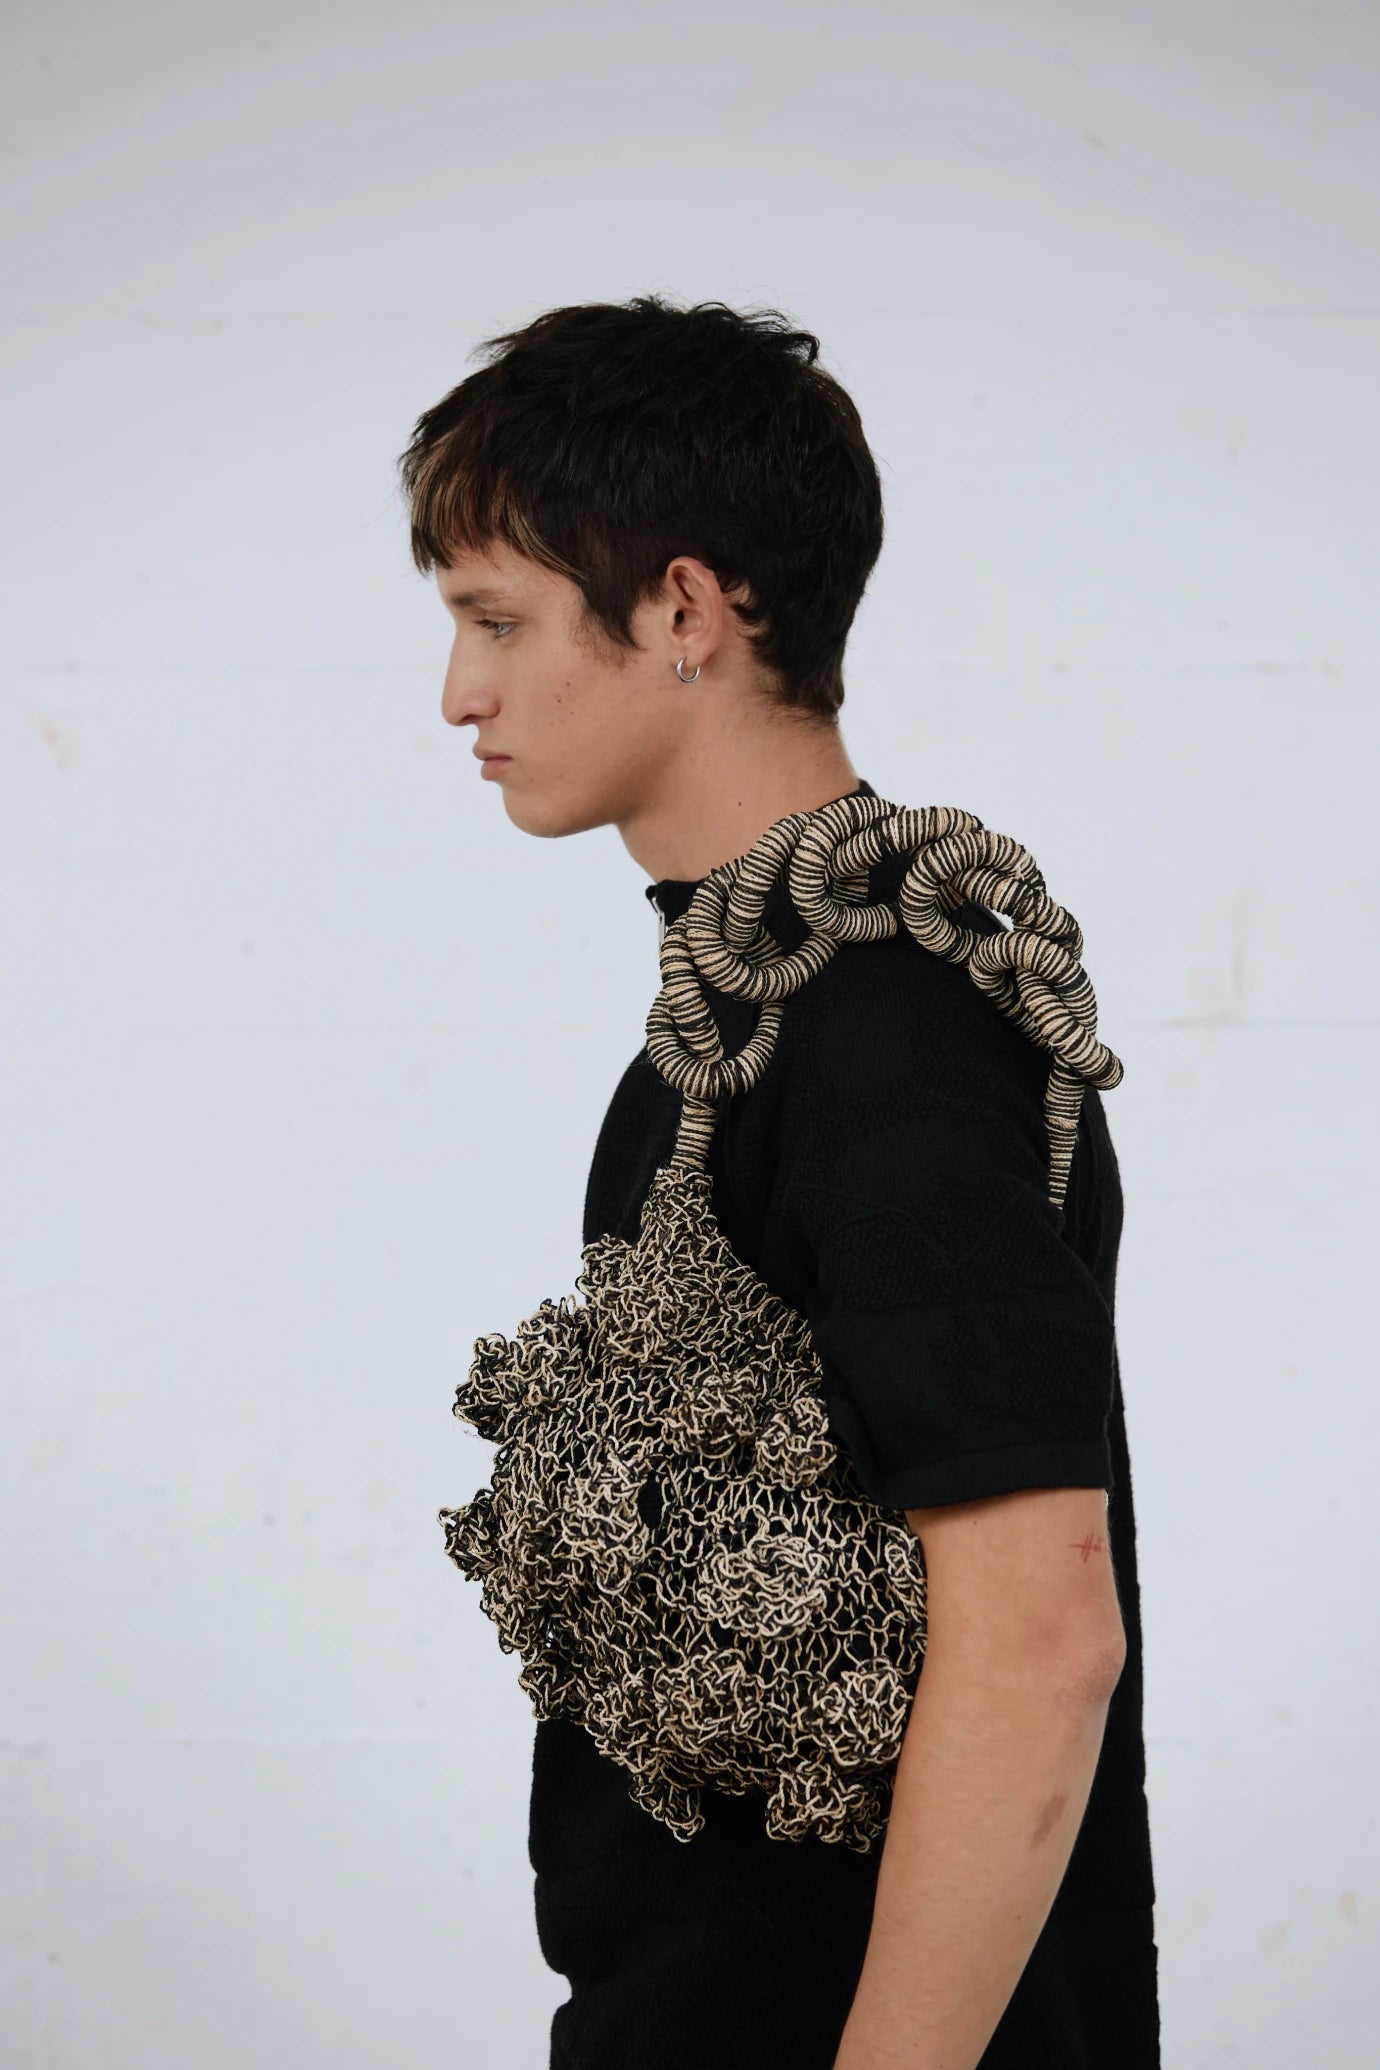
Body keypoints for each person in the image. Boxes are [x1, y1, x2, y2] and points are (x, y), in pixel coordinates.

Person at [398, 294, 1160, 2069]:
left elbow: (1042, 1631)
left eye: (496, 620)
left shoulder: (891, 1033)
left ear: (682, 609)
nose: (461, 694)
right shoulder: (730, 1035)